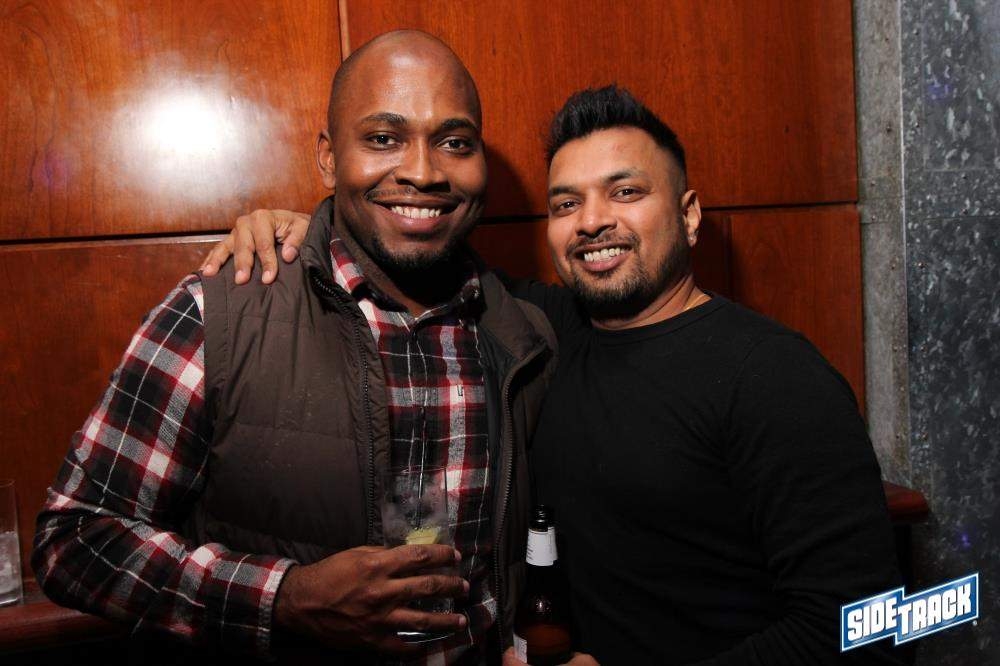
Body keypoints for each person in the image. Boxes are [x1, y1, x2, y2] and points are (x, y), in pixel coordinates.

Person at [205, 86, 910, 665]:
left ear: (690, 215)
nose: (592, 222)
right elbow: (407, 252)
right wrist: (312, 230)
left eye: (625, 192)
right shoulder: (547, 328)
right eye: (567, 203)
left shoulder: (774, 375)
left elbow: (867, 624)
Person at [32, 31, 557, 665]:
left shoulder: (523, 338)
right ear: (329, 159)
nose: (423, 171)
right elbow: (75, 539)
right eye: (383, 138)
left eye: (454, 142)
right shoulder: (220, 315)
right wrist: (284, 599)